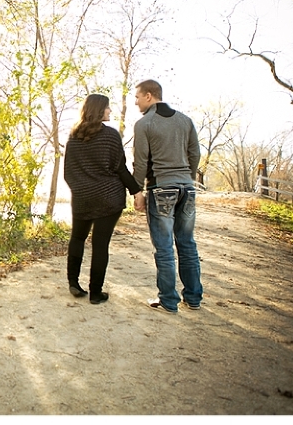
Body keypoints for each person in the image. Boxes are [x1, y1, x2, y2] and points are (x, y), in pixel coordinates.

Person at [132, 79, 203, 313]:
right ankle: (193, 298)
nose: (136, 102)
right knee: (187, 243)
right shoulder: (185, 120)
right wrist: (186, 179)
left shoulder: (144, 124)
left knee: (164, 248)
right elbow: (195, 154)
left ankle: (168, 301)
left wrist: (137, 191)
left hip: (161, 187)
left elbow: (141, 162)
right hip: (187, 188)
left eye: (137, 97)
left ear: (149, 96)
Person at [63, 94, 141, 304]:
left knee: (77, 238)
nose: (110, 111)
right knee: (100, 244)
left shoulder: (73, 138)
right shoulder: (110, 136)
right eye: (107, 107)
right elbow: (120, 169)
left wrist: (81, 190)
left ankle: (73, 283)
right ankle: (95, 293)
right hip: (109, 197)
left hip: (83, 198)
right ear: (99, 110)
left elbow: (68, 173)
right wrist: (136, 191)